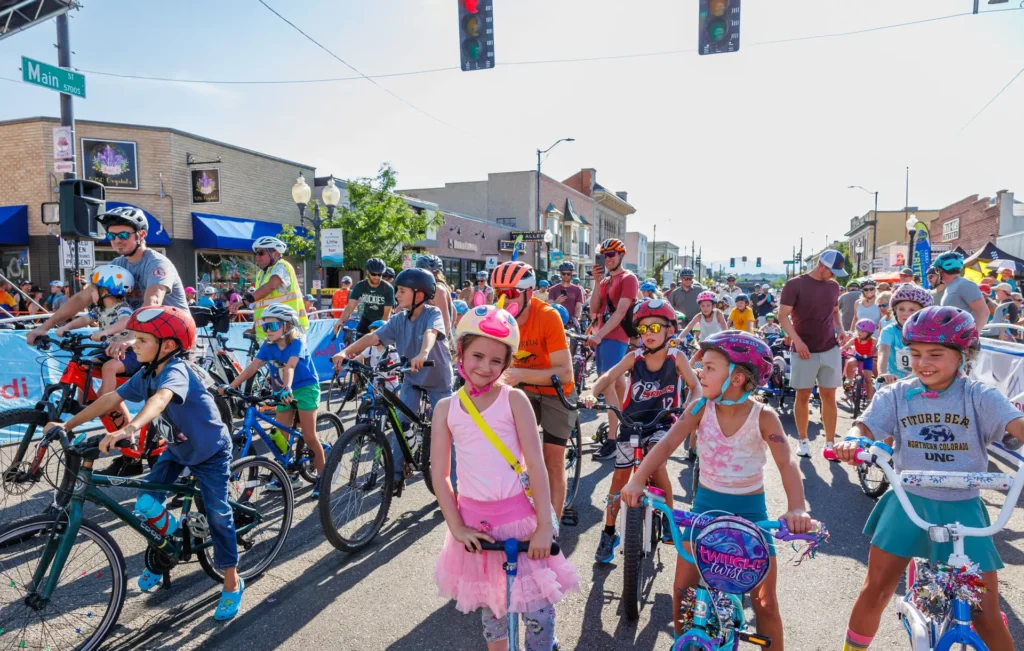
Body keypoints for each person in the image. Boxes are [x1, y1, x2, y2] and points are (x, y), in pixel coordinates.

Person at [834, 306, 1019, 651]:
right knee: (876, 590)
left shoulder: (979, 396)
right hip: (907, 502)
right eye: (915, 354)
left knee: (985, 612)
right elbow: (865, 426)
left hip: (962, 508)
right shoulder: (897, 393)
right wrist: (852, 439)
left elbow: (1016, 425)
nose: (923, 363)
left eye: (935, 354)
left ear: (964, 356)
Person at [46, 305, 243, 620]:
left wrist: (130, 427)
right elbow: (111, 399)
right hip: (177, 451)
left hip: (209, 452)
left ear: (166, 346)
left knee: (219, 516)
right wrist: (66, 426)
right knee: (146, 504)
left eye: (140, 340)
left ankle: (232, 583)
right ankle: (172, 546)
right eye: (134, 339)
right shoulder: (147, 372)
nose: (132, 345)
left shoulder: (176, 370)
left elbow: (161, 399)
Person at [621, 330, 812, 642]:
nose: (700, 372)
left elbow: (787, 462)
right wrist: (637, 479)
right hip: (704, 511)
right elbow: (669, 442)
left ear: (736, 378)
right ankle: (688, 643)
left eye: (709, 368)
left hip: (751, 516)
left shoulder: (763, 416)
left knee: (765, 604)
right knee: (682, 592)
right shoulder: (699, 409)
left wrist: (796, 508)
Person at [431, 300, 579, 651]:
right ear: (461, 353)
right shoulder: (446, 408)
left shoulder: (515, 400)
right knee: (493, 613)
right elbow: (440, 476)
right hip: (476, 527)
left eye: (496, 360)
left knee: (538, 611)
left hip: (522, 521)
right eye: (478, 356)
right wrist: (456, 526)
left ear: (507, 364)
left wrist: (544, 525)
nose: (485, 367)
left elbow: (537, 466)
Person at [581, 299, 700, 562]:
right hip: (632, 422)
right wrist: (592, 391)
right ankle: (609, 532)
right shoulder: (634, 357)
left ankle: (668, 518)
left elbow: (696, 387)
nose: (649, 333)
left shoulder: (677, 357)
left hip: (663, 422)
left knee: (656, 464)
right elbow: (608, 376)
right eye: (644, 329)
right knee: (619, 479)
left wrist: (692, 407)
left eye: (656, 327)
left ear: (671, 330)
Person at [29, 206, 188, 391]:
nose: (117, 241)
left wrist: (129, 338)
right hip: (140, 337)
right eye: (111, 236)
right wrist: (44, 327)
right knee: (85, 367)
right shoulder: (116, 265)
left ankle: (109, 410)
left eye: (123, 235)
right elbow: (82, 297)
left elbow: (151, 304)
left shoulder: (157, 264)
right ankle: (105, 413)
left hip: (171, 337)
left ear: (141, 234)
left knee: (158, 401)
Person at [334, 268, 452, 493]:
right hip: (412, 378)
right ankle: (397, 474)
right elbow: (372, 337)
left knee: (449, 430)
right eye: (397, 290)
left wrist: (423, 353)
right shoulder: (398, 319)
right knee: (400, 423)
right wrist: (345, 352)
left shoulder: (432, 313)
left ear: (419, 295)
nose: (396, 295)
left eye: (402, 291)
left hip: (437, 380)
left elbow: (431, 334)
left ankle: (458, 489)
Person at [492, 261, 575, 519]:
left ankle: (553, 527)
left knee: (553, 461)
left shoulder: (548, 317)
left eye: (512, 293)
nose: (504, 300)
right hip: (522, 389)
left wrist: (519, 374)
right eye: (498, 294)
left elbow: (565, 373)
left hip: (556, 391)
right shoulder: (498, 318)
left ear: (528, 293)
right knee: (506, 452)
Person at [227, 304, 326, 497]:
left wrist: (287, 388)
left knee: (309, 436)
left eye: (271, 326)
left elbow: (289, 367)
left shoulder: (296, 343)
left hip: (304, 388)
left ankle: (323, 477)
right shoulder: (268, 346)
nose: (267, 331)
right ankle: (290, 475)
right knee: (281, 437)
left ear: (287, 326)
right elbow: (251, 368)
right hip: (283, 391)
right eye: (264, 326)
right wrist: (231, 386)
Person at [778, 249, 848, 458]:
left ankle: (829, 443)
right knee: (803, 395)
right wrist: (797, 342)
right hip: (804, 350)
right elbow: (782, 316)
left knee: (829, 396)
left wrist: (841, 330)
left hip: (829, 348)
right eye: (832, 271)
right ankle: (803, 440)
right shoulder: (795, 284)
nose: (834, 276)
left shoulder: (834, 286)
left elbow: (835, 312)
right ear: (821, 265)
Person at [588, 239, 639, 462]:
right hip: (602, 335)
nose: (608, 258)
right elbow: (593, 309)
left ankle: (612, 439)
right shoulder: (606, 280)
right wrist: (597, 282)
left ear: (621, 255)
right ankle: (627, 424)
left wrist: (599, 335)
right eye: (605, 255)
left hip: (615, 336)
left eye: (612, 254)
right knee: (618, 384)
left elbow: (620, 313)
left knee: (607, 383)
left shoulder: (629, 278)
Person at [54, 265, 135, 400]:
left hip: (128, 353)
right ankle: (85, 400)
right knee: (84, 366)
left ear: (104, 291)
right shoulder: (99, 309)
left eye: (93, 290)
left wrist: (106, 332)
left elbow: (125, 321)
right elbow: (85, 319)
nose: (91, 294)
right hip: (108, 351)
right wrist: (66, 327)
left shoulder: (123, 308)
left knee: (109, 368)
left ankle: (104, 401)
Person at [249, 236, 308, 342]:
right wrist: (255, 327)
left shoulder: (282, 266)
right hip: (268, 333)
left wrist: (245, 301)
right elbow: (261, 303)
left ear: (275, 253)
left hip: (288, 332)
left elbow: (271, 286)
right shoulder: (261, 274)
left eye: (261, 253)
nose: (257, 257)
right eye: (255, 253)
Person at [876, 285, 931, 385]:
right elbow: (882, 352)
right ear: (894, 311)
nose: (905, 313)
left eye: (912, 310)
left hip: (921, 380)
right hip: (894, 380)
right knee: (884, 392)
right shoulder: (889, 331)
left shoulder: (929, 333)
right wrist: (882, 373)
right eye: (901, 309)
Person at [333, 258, 396, 338]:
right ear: (367, 272)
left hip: (381, 320)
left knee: (378, 345)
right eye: (373, 274)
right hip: (366, 319)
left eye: (379, 274)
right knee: (358, 346)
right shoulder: (360, 286)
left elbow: (386, 314)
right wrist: (340, 321)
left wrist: (379, 329)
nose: (376, 277)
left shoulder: (388, 288)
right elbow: (350, 307)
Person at [934, 251, 989, 329]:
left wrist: (974, 335)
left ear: (940, 270)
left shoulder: (964, 284)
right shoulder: (952, 286)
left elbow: (983, 312)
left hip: (964, 338)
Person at [356, 320, 402, 392]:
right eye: (371, 335)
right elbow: (360, 357)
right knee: (373, 395)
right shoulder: (370, 348)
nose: (372, 338)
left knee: (395, 397)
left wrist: (396, 370)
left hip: (390, 379)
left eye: (374, 335)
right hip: (376, 378)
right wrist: (352, 362)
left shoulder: (390, 349)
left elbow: (397, 361)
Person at [416, 254, 455, 337]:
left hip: (436, 343)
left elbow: (445, 323)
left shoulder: (437, 289)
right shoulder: (428, 288)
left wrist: (438, 342)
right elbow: (454, 312)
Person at [842, 319, 876, 402]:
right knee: (850, 362)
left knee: (868, 379)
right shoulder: (855, 339)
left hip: (868, 358)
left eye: (863, 331)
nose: (860, 332)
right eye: (859, 330)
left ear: (869, 333)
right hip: (857, 356)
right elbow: (845, 346)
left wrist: (876, 354)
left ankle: (869, 398)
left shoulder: (873, 340)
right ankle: (849, 381)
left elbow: (880, 347)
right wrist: (840, 350)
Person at [547, 262, 585, 330]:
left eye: (568, 274)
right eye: (563, 273)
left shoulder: (578, 289)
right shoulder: (553, 289)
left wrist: (576, 318)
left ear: (572, 274)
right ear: (560, 274)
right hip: (556, 322)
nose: (566, 275)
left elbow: (578, 306)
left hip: (571, 323)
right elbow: (549, 307)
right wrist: (556, 302)